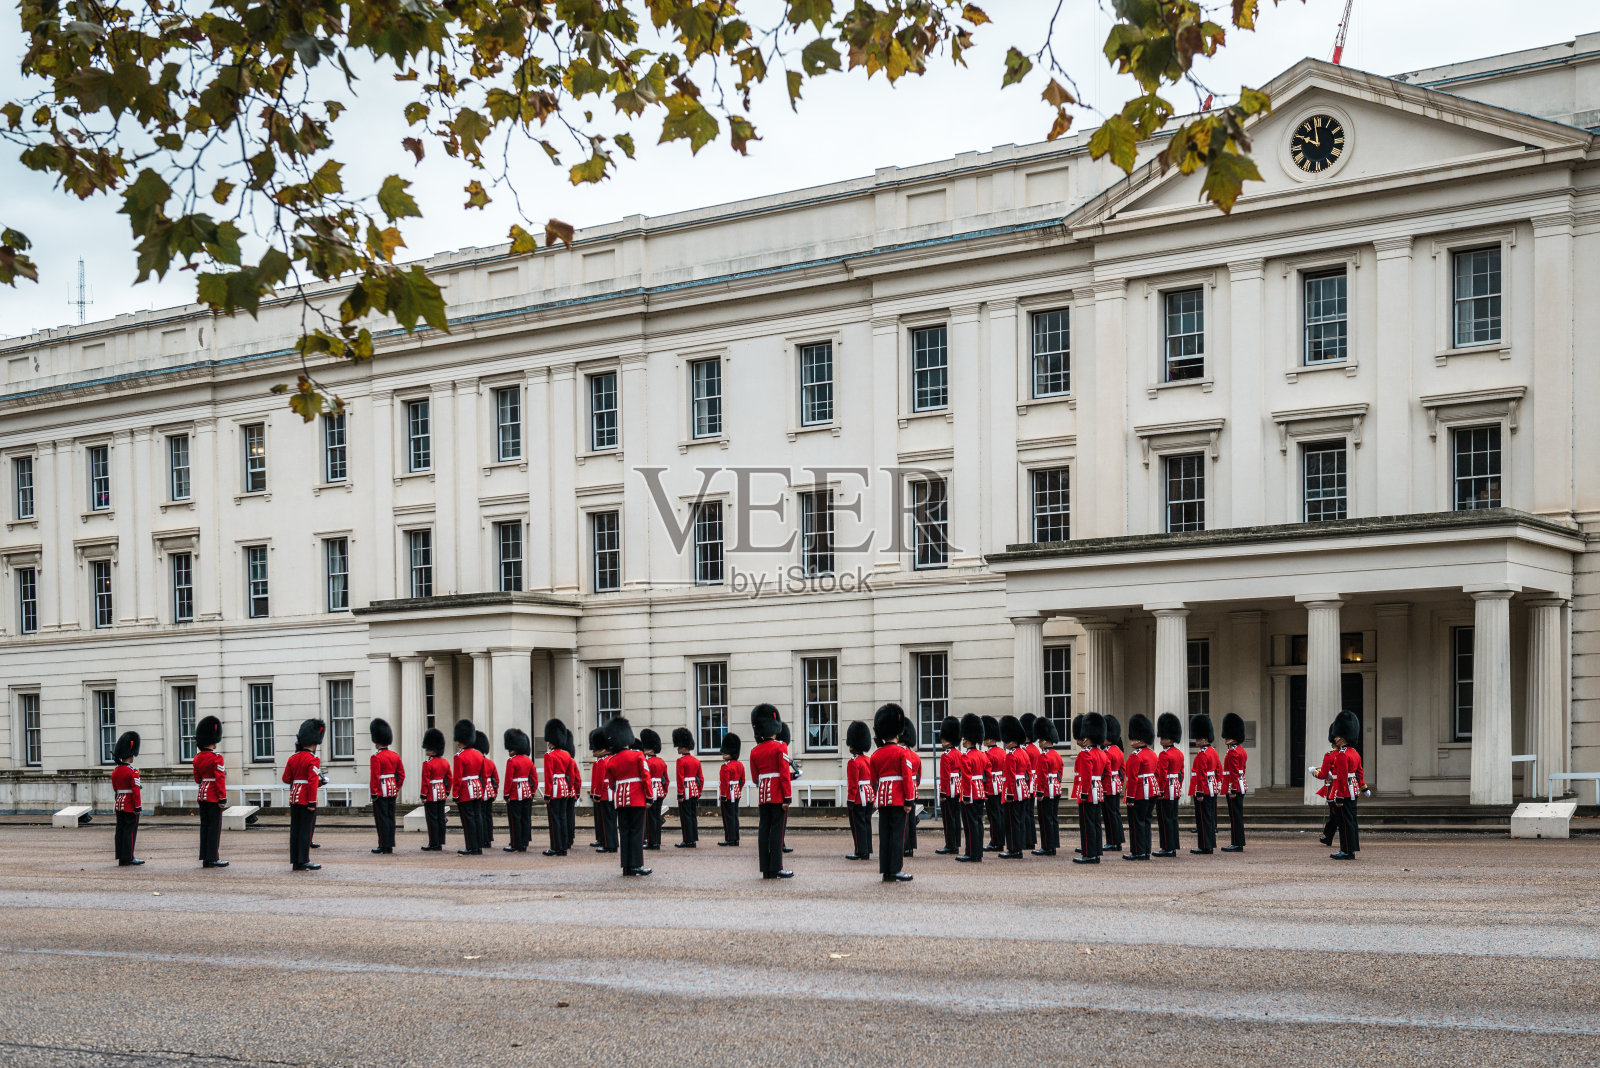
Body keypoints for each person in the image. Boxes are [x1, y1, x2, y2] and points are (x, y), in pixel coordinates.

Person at [869, 703, 918, 883]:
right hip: (898, 798)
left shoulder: (876, 755)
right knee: (897, 835)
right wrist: (909, 801)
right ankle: (896, 869)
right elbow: (906, 777)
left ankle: (886, 870)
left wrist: (876, 797)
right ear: (898, 733)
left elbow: (873, 780)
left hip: (883, 799)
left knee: (885, 836)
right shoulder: (902, 753)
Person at [604, 718, 652, 876]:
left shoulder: (610, 761)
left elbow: (611, 784)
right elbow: (646, 777)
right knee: (637, 832)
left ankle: (626, 866)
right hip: (637, 799)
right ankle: (637, 865)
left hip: (621, 800)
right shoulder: (637, 755)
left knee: (624, 833)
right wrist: (649, 797)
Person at [749, 705, 793, 879]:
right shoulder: (780, 747)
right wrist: (787, 797)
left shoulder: (755, 750)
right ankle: (777, 867)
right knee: (776, 832)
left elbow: (755, 777)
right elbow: (783, 774)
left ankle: (766, 868)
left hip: (763, 794)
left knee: (764, 831)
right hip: (777, 794)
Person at [1314, 710, 1364, 860]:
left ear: (1342, 738)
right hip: (1353, 789)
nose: (1335, 739)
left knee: (1344, 822)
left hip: (1344, 791)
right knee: (1351, 821)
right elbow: (1359, 772)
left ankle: (1346, 850)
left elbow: (1342, 778)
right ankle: (1352, 848)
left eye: (1337, 737)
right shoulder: (1354, 752)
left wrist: (1340, 797)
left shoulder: (1342, 754)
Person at [284, 719, 325, 871]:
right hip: (305, 799)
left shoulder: (293, 758)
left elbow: (286, 779)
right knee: (305, 831)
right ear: (314, 743)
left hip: (294, 797)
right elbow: (312, 781)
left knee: (295, 830)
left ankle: (296, 861)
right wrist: (312, 803)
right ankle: (304, 860)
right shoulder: (313, 759)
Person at [1072, 712, 1107, 864]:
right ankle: (1096, 851)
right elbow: (1106, 774)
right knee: (1096, 822)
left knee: (1087, 824)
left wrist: (1084, 793)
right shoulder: (1102, 754)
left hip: (1088, 791)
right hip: (1098, 790)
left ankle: (1089, 854)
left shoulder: (1085, 754)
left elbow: (1086, 777)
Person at [1121, 713, 1157, 861]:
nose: (1131, 740)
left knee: (1136, 823)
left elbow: (1133, 778)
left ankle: (1138, 851)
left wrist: (1129, 797)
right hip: (1152, 791)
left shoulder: (1136, 756)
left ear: (1139, 738)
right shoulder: (1153, 754)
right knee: (1146, 821)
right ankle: (1146, 850)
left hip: (1140, 792)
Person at [193, 715, 227, 869]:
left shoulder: (197, 758)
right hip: (213, 795)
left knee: (205, 827)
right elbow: (219, 779)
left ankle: (206, 857)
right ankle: (213, 857)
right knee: (214, 827)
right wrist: (222, 798)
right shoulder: (216, 758)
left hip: (202, 795)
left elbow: (197, 778)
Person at [542, 720, 578, 856]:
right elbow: (571, 775)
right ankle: (563, 846)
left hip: (555, 789)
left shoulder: (549, 756)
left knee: (554, 819)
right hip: (565, 788)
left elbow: (548, 776)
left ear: (551, 741)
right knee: (563, 818)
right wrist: (569, 788)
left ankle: (555, 847)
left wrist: (547, 794)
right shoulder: (567, 755)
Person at [369, 718, 404, 855]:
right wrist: (396, 787)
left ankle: (383, 845)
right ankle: (389, 845)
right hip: (392, 790)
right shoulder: (395, 756)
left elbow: (375, 777)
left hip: (381, 791)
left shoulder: (376, 757)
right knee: (390, 817)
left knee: (381, 818)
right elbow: (401, 774)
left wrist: (374, 793)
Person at [998, 715, 1030, 859]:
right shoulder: (1023, 753)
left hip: (1013, 791)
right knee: (1019, 820)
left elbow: (1010, 777)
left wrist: (1009, 794)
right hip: (1022, 789)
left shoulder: (1010, 755)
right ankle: (1018, 847)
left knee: (1011, 821)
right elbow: (1028, 774)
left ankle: (1013, 849)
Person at [1154, 712, 1185, 859]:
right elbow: (1181, 773)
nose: (1161, 739)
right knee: (1173, 818)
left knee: (1165, 819)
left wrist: (1159, 791)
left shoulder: (1164, 755)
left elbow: (1161, 775)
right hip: (1175, 788)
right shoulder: (1179, 753)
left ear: (1170, 738)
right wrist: (1177, 785)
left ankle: (1167, 847)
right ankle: (1172, 847)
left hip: (1166, 790)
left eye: (1164, 737)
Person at [1188, 715, 1220, 855]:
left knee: (1203, 819)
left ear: (1205, 738)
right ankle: (1210, 844)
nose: (1196, 740)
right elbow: (1219, 770)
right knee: (1209, 818)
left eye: (1198, 738)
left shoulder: (1202, 755)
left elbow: (1201, 775)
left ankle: (1205, 846)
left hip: (1204, 789)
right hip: (1211, 787)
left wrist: (1199, 792)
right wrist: (1217, 785)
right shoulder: (1213, 752)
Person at [453, 719, 485, 856]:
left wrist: (455, 794)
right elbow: (483, 775)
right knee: (477, 817)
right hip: (477, 788)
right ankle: (478, 846)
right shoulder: (479, 754)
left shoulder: (459, 757)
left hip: (466, 790)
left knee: (468, 820)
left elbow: (458, 778)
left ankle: (471, 846)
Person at [957, 713, 986, 863]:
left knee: (970, 825)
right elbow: (987, 774)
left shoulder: (966, 757)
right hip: (980, 792)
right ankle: (978, 852)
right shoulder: (982, 755)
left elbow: (966, 778)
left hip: (970, 794)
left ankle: (971, 853)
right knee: (978, 823)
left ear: (966, 739)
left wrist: (966, 796)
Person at [1032, 717, 1063, 856]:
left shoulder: (1043, 756)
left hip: (1046, 790)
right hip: (1056, 788)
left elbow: (1042, 776)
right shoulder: (1057, 755)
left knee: (1045, 819)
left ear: (1044, 740)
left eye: (1040, 740)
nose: (1039, 743)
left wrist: (1039, 793)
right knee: (1053, 818)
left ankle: (1046, 847)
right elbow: (1060, 772)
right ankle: (1053, 845)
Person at [111, 730, 142, 867]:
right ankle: (129, 856)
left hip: (119, 804)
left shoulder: (115, 771)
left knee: (120, 830)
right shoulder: (132, 771)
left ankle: (121, 856)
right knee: (130, 831)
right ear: (131, 755)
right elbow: (135, 790)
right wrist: (137, 806)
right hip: (129, 804)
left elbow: (115, 789)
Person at [502, 728, 536, 853]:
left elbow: (509, 779)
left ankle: (515, 844)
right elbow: (534, 779)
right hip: (527, 792)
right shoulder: (528, 760)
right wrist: (532, 791)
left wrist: (506, 794)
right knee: (525, 818)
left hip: (515, 793)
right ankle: (524, 842)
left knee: (515, 819)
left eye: (510, 749)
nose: (509, 752)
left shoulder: (512, 761)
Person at [844, 720, 874, 861]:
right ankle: (867, 849)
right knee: (866, 822)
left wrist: (850, 801)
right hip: (868, 795)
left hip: (858, 796)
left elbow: (853, 784)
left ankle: (859, 851)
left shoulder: (853, 762)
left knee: (857, 824)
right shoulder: (868, 760)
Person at [1220, 712, 1248, 852]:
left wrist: (1232, 789)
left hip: (1235, 787)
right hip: (1241, 785)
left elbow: (1234, 773)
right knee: (1237, 815)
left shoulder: (1232, 752)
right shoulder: (1241, 750)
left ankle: (1236, 843)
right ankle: (1238, 842)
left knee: (1235, 816)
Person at [419, 727, 451, 852]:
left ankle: (433, 843)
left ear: (433, 750)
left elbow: (425, 781)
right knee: (441, 818)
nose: (426, 750)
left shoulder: (427, 764)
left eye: (428, 748)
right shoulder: (445, 762)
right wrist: (447, 791)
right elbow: (449, 778)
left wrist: (423, 795)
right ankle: (440, 842)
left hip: (432, 793)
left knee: (432, 819)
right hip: (442, 792)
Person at [935, 716, 963, 856]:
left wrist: (942, 794)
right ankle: (956, 843)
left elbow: (945, 777)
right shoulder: (959, 753)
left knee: (948, 817)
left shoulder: (946, 756)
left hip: (949, 788)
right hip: (958, 787)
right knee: (956, 817)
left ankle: (950, 845)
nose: (941, 740)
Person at [671, 727, 702, 848]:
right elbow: (701, 779)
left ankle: (687, 840)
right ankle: (693, 839)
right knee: (693, 815)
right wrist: (699, 792)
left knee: (685, 817)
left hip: (686, 791)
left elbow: (680, 779)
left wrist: (680, 794)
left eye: (679, 746)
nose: (677, 749)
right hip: (694, 790)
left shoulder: (681, 761)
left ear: (684, 747)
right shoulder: (696, 761)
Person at [1101, 715, 1126, 853]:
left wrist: (1104, 788)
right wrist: (1120, 783)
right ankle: (1117, 841)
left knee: (1109, 815)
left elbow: (1105, 772)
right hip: (1116, 784)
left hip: (1108, 786)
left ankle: (1112, 842)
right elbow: (1123, 771)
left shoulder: (1107, 752)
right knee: (1115, 813)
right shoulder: (1119, 751)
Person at [640, 729, 668, 851]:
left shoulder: (647, 762)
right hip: (660, 791)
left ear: (650, 749)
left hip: (651, 791)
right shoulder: (662, 762)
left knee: (650, 818)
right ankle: (657, 841)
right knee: (657, 817)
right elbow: (666, 780)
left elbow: (645, 779)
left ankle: (651, 842)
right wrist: (664, 791)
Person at [588, 728, 614, 853]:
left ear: (602, 749)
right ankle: (612, 842)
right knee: (611, 820)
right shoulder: (611, 759)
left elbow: (599, 781)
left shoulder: (602, 762)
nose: (593, 752)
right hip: (611, 793)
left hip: (604, 794)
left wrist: (596, 795)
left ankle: (608, 844)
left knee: (606, 821)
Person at [982, 716, 1006, 851]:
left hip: (992, 786)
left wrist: (985, 790)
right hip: (1001, 785)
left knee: (993, 815)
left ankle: (995, 842)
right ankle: (1000, 840)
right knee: (1000, 815)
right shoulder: (1003, 752)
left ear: (990, 739)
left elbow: (987, 774)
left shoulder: (988, 755)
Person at [717, 732, 744, 846]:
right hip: (736, 793)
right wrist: (738, 790)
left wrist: (723, 795)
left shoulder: (725, 767)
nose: (723, 753)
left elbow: (724, 783)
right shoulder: (740, 765)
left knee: (727, 818)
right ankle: (736, 838)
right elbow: (742, 781)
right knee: (734, 816)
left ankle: (729, 838)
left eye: (725, 751)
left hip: (727, 794)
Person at [898, 720, 920, 857]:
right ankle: (910, 846)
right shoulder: (916, 756)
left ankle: (905, 846)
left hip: (903, 788)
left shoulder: (900, 754)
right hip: (913, 788)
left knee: (903, 820)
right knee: (911, 819)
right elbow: (918, 778)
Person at [1019, 712, 1038, 852]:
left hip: (1026, 783)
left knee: (1024, 813)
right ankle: (1031, 840)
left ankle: (1026, 840)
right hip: (1033, 783)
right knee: (1029, 813)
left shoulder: (1025, 750)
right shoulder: (1035, 749)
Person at [476, 731, 499, 848]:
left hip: (480, 790)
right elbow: (496, 779)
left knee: (480, 815)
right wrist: (494, 792)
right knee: (488, 815)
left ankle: (482, 838)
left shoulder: (477, 761)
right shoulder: (490, 762)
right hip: (489, 791)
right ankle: (488, 838)